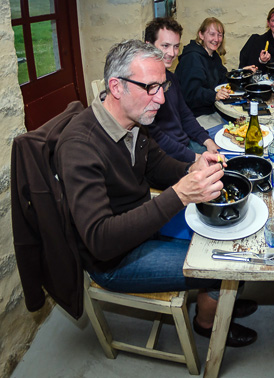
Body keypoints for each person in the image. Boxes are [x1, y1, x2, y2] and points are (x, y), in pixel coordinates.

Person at [55, 40, 258, 347]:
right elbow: (100, 239)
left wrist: (193, 168)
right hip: (113, 259)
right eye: (151, 88)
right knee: (227, 262)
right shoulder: (80, 146)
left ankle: (218, 298)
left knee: (234, 233)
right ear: (116, 86)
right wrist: (180, 194)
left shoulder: (134, 120)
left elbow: (156, 165)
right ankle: (208, 320)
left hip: (143, 226)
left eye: (162, 86)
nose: (161, 99)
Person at [144, 17, 220, 162]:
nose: (172, 53)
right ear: (149, 46)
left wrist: (206, 140)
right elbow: (156, 138)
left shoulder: (171, 78)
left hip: (185, 144)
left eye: (176, 46)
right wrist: (195, 158)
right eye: (165, 46)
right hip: (165, 157)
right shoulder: (143, 86)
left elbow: (185, 115)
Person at [175, 17, 239, 118]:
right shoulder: (192, 58)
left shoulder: (213, 55)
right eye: (212, 34)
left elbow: (224, 79)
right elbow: (191, 94)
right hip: (195, 115)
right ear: (201, 35)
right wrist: (214, 95)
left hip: (213, 109)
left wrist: (242, 73)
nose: (216, 39)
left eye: (220, 35)